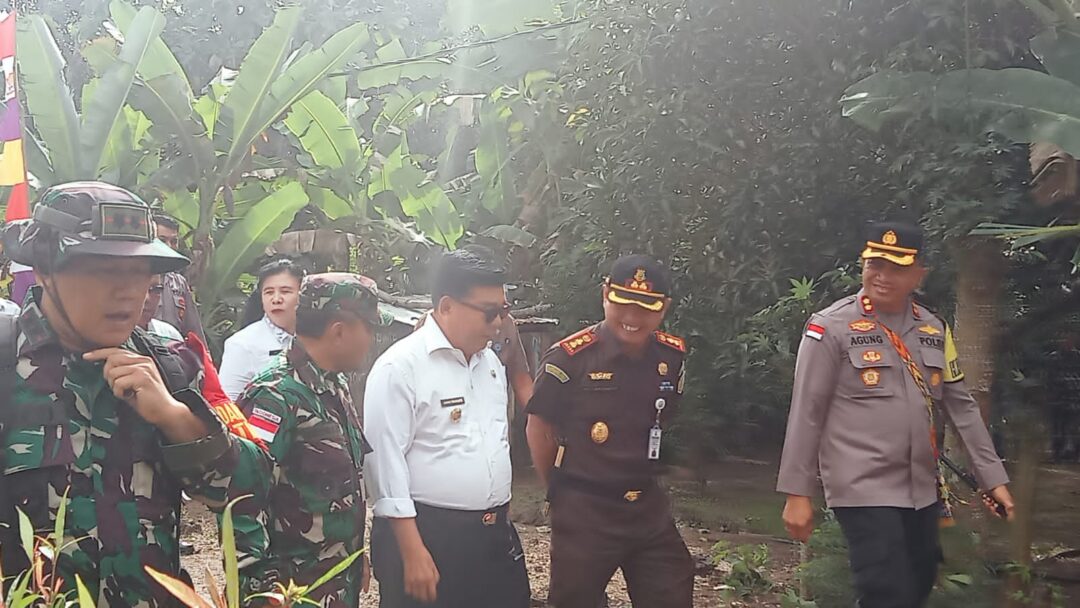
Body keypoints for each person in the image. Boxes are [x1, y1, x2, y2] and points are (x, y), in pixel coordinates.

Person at [0, 181, 268, 607]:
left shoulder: (172, 365)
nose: (128, 292)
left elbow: (253, 491)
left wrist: (177, 419)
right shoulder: (7, 363)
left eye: (141, 273)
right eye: (104, 270)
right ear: (46, 270)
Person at [776, 221, 1016, 608]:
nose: (883, 276)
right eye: (875, 265)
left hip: (921, 487)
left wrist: (992, 478)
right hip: (861, 485)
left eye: (897, 268)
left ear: (920, 274)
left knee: (918, 585)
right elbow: (807, 412)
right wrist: (797, 494)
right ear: (863, 264)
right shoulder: (830, 327)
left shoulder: (933, 329)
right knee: (887, 591)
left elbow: (961, 405)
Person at [364, 246, 530, 608]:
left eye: (503, 311)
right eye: (489, 313)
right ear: (446, 306)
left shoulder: (490, 364)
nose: (499, 323)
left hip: (494, 534)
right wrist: (412, 551)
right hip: (428, 534)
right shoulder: (400, 367)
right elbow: (384, 466)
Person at [526, 254, 694, 608]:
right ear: (605, 295)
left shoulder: (671, 357)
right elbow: (539, 427)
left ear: (664, 307)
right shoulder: (568, 359)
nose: (633, 317)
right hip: (586, 510)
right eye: (623, 304)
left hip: (646, 506)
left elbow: (663, 419)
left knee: (673, 587)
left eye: (646, 308)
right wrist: (558, 492)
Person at [231, 273, 391, 606]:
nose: (372, 339)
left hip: (335, 581)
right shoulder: (274, 396)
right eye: (369, 328)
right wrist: (262, 592)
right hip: (293, 591)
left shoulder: (333, 385)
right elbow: (242, 501)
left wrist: (353, 554)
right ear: (339, 331)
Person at [413, 308, 534, 409]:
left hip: (492, 419)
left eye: (504, 307)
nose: (497, 321)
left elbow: (521, 381)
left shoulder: (506, 324)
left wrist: (538, 417)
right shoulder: (433, 324)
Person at [219, 259, 303, 400]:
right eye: (269, 292)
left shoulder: (319, 336)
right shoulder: (241, 344)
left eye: (285, 291)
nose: (276, 299)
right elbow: (227, 403)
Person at [153, 213, 207, 344]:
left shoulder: (179, 283)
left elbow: (193, 329)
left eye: (174, 241)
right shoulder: (135, 279)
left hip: (174, 352)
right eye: (162, 240)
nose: (169, 246)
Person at [140, 273, 183, 341]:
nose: (147, 298)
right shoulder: (121, 339)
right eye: (139, 288)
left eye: (156, 289)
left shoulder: (171, 337)